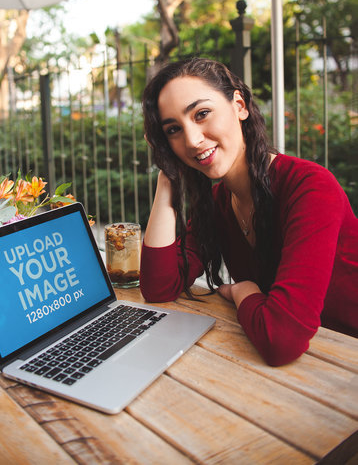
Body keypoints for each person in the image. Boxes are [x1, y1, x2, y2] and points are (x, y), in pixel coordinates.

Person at [140, 57, 358, 367]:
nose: (191, 139)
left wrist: (243, 291)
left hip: (347, 361)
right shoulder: (218, 202)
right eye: (173, 130)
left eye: (201, 114)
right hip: (306, 367)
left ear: (239, 105)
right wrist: (167, 177)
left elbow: (281, 340)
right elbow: (159, 287)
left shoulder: (310, 187)